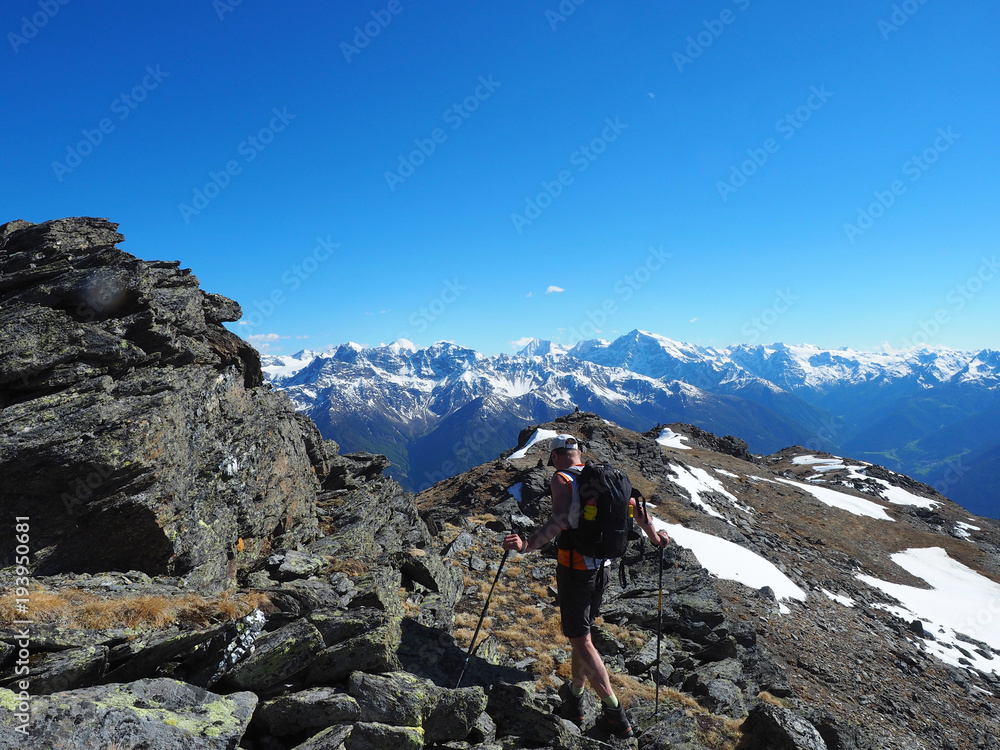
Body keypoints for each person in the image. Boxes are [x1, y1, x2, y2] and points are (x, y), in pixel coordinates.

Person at [503, 434, 670, 738]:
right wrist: (656, 538)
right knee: (582, 635)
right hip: (603, 568)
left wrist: (527, 544)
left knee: (581, 641)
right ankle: (576, 700)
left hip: (575, 569)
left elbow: (560, 521)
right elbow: (637, 508)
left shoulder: (562, 479)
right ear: (579, 453)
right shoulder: (604, 478)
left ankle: (614, 714)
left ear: (555, 457)